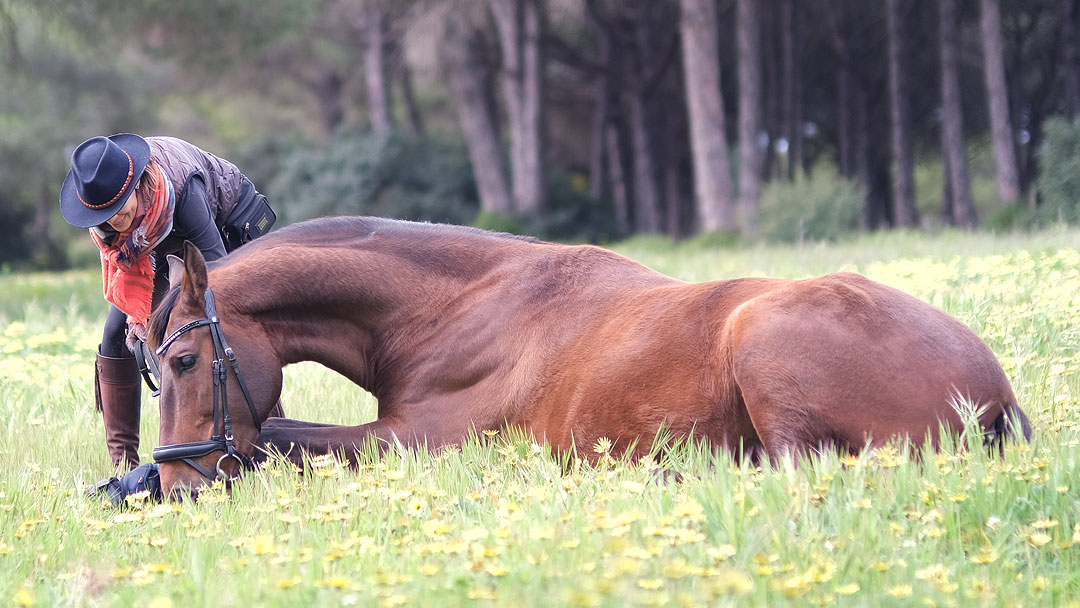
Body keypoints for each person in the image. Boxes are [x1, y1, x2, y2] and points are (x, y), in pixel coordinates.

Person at [60, 133, 276, 472]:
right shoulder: (107, 220)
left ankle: (273, 442)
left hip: (223, 223)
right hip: (156, 241)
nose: (116, 221)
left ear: (136, 186)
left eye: (120, 209)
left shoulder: (183, 190)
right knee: (114, 333)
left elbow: (219, 276)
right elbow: (129, 266)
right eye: (105, 215)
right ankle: (123, 463)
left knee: (223, 325)